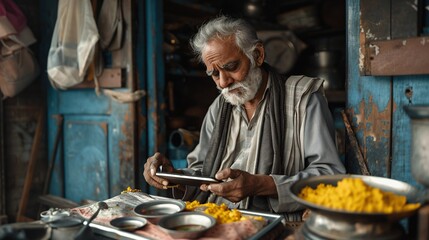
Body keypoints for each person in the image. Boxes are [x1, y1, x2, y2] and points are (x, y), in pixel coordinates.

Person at [143, 15, 346, 222]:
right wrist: (174, 176)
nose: (223, 82)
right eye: (214, 74)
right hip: (218, 219)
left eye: (231, 67)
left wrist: (262, 185)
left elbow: (330, 177)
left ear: (257, 55)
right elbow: (203, 171)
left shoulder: (303, 100)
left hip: (276, 223)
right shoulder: (219, 107)